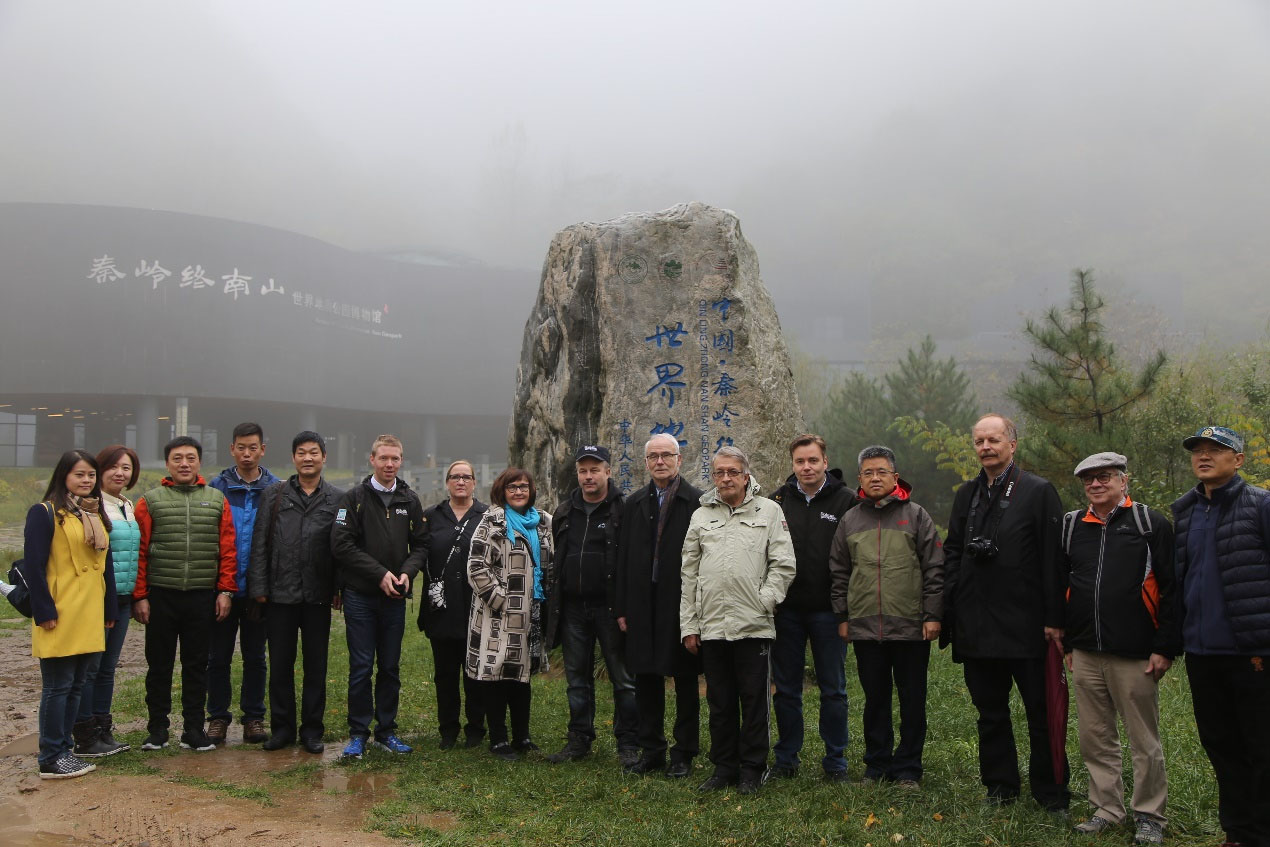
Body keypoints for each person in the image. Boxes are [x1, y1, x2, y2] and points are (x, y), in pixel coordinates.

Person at [941, 414, 1069, 811]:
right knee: (990, 714)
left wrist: (1055, 618)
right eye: (979, 441)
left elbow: (1055, 557)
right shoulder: (968, 494)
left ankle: (1050, 792)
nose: (985, 447)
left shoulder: (1038, 491)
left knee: (1040, 713)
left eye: (993, 440)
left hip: (1027, 625)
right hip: (977, 625)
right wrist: (953, 605)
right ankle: (1000, 788)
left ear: (1012, 444)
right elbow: (954, 550)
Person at [1062, 452, 1177, 845]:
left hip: (1136, 653)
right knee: (1095, 737)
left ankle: (1149, 815)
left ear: (1123, 481)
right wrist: (1069, 643)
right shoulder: (1073, 525)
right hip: (1085, 652)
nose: (1096, 484)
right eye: (1089, 479)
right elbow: (1065, 586)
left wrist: (1165, 647)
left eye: (1104, 477)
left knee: (1144, 740)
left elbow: (1171, 589)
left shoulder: (1149, 524)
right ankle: (1107, 809)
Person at [1172, 425, 1270, 847]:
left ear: (1240, 460)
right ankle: (1238, 832)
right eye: (1198, 450)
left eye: (1217, 450)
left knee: (1262, 747)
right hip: (1201, 651)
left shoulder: (1261, 505)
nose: (1204, 456)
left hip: (1253, 651)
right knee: (1220, 745)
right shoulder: (1185, 512)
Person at [680, 446, 796, 795]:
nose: (726, 478)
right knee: (720, 700)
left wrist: (767, 600)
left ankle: (752, 768)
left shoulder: (770, 511)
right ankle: (724, 767)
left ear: (746, 476)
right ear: (713, 477)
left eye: (733, 472)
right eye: (719, 473)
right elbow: (688, 573)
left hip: (753, 623)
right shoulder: (702, 515)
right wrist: (689, 624)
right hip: (712, 624)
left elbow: (784, 563)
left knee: (753, 700)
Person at [829, 445, 943, 788]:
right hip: (865, 627)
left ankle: (908, 768)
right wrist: (842, 615)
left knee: (912, 700)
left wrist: (932, 614)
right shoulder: (851, 519)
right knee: (875, 701)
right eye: (868, 472)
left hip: (910, 626)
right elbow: (838, 571)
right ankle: (877, 766)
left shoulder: (917, 515)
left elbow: (935, 568)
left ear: (895, 477)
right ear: (860, 478)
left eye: (881, 472)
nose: (875, 478)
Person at [132, 436, 236, 752]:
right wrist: (140, 596)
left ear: (199, 462)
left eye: (190, 458)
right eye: (177, 458)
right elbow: (140, 551)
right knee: (159, 666)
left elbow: (228, 550)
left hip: (202, 597)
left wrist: (226, 591)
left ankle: (193, 729)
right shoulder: (150, 501)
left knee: (196, 666)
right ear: (168, 463)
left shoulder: (217, 500)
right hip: (162, 596)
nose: (184, 464)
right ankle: (157, 730)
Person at [331, 433, 429, 759]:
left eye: (395, 459)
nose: (389, 464)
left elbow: (422, 546)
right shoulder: (353, 499)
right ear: (371, 459)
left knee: (389, 667)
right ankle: (358, 733)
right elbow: (341, 545)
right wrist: (379, 574)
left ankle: (386, 731)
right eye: (383, 458)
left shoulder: (410, 500)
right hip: (360, 595)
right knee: (361, 666)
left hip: (394, 598)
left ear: (401, 461)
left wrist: (406, 573)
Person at [768, 434, 856, 782]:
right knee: (786, 689)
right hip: (786, 610)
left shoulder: (846, 501)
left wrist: (846, 608)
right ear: (792, 464)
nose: (806, 467)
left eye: (813, 461)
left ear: (825, 461)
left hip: (828, 610)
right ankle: (786, 759)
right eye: (800, 462)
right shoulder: (776, 501)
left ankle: (835, 762)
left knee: (833, 689)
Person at [25, 450, 119, 779]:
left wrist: (109, 608)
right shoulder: (45, 512)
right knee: (58, 686)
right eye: (79, 474)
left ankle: (66, 748)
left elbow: (104, 565)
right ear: (63, 475)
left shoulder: (93, 513)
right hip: (61, 610)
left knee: (77, 684)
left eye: (91, 475)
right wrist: (44, 611)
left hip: (90, 610)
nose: (86, 481)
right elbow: (34, 567)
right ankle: (51, 755)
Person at [615, 434, 703, 778]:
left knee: (684, 679)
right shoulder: (635, 503)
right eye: (653, 456)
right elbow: (622, 560)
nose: (660, 462)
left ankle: (683, 754)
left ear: (679, 459)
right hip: (641, 604)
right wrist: (622, 608)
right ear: (646, 462)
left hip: (679, 603)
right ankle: (652, 750)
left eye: (667, 455)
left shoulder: (695, 502)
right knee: (647, 680)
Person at [248, 431, 341, 753]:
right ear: (294, 458)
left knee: (316, 667)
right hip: (279, 595)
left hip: (317, 596)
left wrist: (338, 589)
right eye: (301, 452)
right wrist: (259, 587)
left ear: (324, 457)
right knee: (280, 666)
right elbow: (259, 543)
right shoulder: (273, 496)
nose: (308, 458)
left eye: (314, 452)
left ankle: (312, 731)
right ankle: (282, 729)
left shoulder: (337, 499)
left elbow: (342, 548)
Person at [545, 445, 638, 766]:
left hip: (610, 609)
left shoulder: (623, 509)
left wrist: (627, 608)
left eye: (595, 470)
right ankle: (579, 740)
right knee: (576, 679)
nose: (588, 476)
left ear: (608, 472)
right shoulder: (565, 511)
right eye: (583, 470)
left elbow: (630, 563)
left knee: (624, 680)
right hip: (572, 608)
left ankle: (628, 743)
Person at [467, 467, 554, 761]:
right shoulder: (492, 522)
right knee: (497, 674)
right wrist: (502, 600)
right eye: (512, 487)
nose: (519, 492)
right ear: (501, 491)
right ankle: (499, 739)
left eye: (524, 487)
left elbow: (551, 561)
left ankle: (522, 736)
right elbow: (476, 566)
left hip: (533, 612)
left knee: (522, 676)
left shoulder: (543, 522)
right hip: (498, 614)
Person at [206, 422, 280, 746]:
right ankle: (218, 717)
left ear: (263, 449)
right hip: (222, 588)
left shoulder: (277, 489)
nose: (247, 454)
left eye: (253, 447)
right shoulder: (216, 487)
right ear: (231, 449)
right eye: (241, 447)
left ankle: (253, 717)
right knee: (218, 657)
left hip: (258, 591)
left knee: (255, 657)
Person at [71, 445, 140, 759]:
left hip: (123, 598)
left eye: (126, 468)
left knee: (107, 669)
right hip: (98, 598)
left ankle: (103, 728)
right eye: (113, 467)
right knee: (90, 668)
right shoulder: (89, 506)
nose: (120, 473)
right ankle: (84, 734)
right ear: (100, 470)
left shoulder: (127, 504)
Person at [417, 459, 488, 750]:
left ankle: (475, 729)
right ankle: (448, 729)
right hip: (441, 608)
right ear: (446, 482)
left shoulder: (488, 516)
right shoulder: (430, 517)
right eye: (455, 477)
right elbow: (418, 553)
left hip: (477, 606)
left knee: (476, 673)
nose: (460, 481)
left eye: (466, 477)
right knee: (445, 674)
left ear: (474, 482)